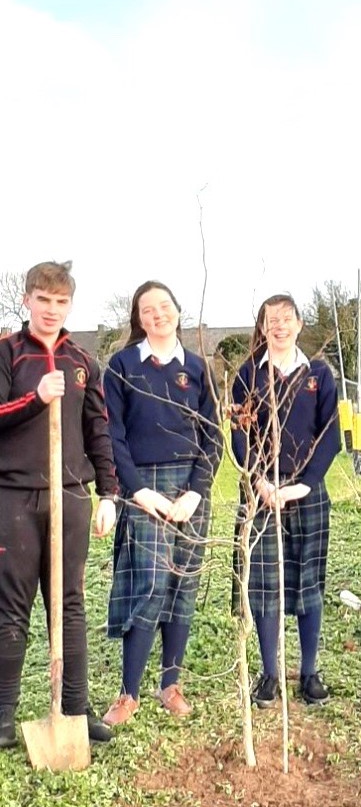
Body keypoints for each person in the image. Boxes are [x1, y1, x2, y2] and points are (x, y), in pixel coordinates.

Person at [0, 261, 117, 749]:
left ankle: (76, 708)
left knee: (69, 605)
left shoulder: (82, 360)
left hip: (70, 494)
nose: (51, 309)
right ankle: (3, 716)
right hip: (15, 496)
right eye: (43, 299)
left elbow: (99, 431)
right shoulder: (8, 354)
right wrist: (34, 397)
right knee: (11, 607)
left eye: (61, 301)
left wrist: (109, 494)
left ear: (70, 304)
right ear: (28, 300)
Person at [101, 281, 223, 726]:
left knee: (182, 587)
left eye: (164, 307)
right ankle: (128, 692)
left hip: (190, 488)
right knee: (149, 585)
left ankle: (169, 684)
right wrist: (137, 490)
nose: (157, 315)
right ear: (138, 318)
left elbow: (214, 436)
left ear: (177, 311)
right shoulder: (120, 367)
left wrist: (196, 490)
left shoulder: (198, 368)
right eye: (147, 310)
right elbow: (112, 437)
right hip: (144, 488)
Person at [231, 294, 340, 708]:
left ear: (299, 324)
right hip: (261, 493)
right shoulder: (248, 376)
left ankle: (309, 673)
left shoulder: (318, 374)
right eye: (270, 319)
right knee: (264, 587)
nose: (278, 326)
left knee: (308, 582)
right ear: (262, 327)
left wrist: (306, 483)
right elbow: (241, 433)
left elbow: (330, 434)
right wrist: (258, 480)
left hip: (306, 492)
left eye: (286, 319)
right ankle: (270, 674)